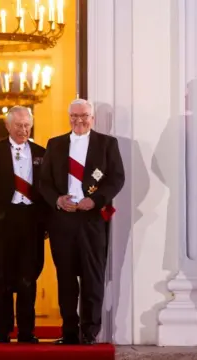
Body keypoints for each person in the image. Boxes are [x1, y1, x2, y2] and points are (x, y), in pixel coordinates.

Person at [39, 99, 124, 345]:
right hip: (62, 221)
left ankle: (89, 332)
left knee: (92, 277)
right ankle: (68, 332)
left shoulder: (107, 144)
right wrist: (57, 199)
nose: (79, 120)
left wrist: (95, 200)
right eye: (74, 116)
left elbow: (116, 178)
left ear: (92, 118)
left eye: (84, 116)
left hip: (92, 220)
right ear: (68, 118)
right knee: (65, 278)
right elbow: (43, 182)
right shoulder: (55, 144)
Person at [0, 106, 47, 343]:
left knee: (29, 277)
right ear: (7, 126)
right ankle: (3, 332)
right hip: (1, 222)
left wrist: (46, 223)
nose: (23, 130)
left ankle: (27, 332)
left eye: (27, 125)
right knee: (3, 277)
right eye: (18, 125)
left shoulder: (41, 153)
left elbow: (47, 191)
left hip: (30, 221)